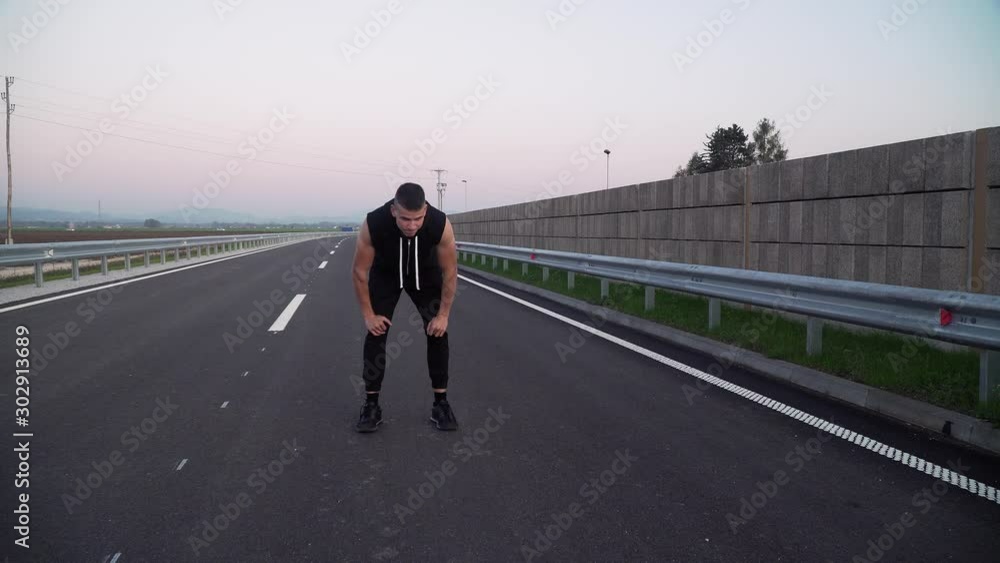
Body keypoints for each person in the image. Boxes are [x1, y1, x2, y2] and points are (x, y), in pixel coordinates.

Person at [351, 183, 459, 433]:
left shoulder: (440, 224)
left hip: (426, 274)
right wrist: (368, 315)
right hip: (387, 274)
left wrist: (443, 315)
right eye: (405, 219)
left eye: (418, 219)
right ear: (393, 211)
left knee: (437, 331)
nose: (412, 225)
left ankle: (441, 403)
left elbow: (450, 271)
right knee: (376, 332)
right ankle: (371, 405)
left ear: (426, 211)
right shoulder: (374, 223)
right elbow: (359, 271)